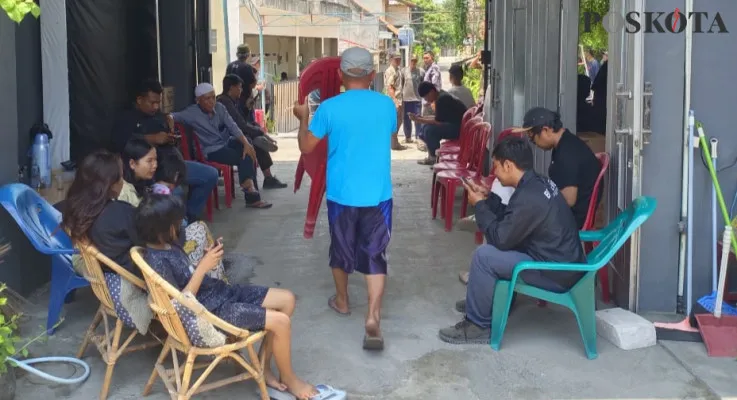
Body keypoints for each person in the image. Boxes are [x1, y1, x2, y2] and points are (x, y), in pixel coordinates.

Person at [136, 194, 318, 399]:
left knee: (287, 299)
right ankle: (289, 378)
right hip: (211, 313)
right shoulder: (157, 262)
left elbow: (184, 274)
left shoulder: (169, 245)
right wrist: (202, 269)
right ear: (164, 228)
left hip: (219, 293)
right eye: (177, 222)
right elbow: (180, 303)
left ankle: (264, 367)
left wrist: (205, 261)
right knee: (281, 321)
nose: (181, 225)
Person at [292, 47, 395, 351]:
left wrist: (302, 118)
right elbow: (392, 132)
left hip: (342, 194)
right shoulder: (387, 105)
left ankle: (342, 301)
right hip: (378, 195)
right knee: (375, 254)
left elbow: (306, 147)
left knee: (341, 248)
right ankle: (373, 316)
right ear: (372, 75)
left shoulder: (328, 108)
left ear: (340, 76)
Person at [438, 137, 587, 344]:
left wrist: (480, 206)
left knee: (484, 256)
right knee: (502, 247)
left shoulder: (529, 196)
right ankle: (486, 302)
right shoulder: (537, 183)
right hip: (560, 262)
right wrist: (489, 199)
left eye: (496, 166)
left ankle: (478, 325)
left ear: (508, 165)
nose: (494, 173)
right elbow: (513, 219)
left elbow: (500, 238)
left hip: (555, 272)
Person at [111, 80, 219, 222]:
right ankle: (179, 225)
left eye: (158, 102)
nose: (156, 106)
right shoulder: (127, 119)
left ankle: (191, 217)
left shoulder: (160, 116)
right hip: (151, 172)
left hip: (173, 164)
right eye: (152, 102)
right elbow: (120, 143)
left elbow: (169, 132)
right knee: (176, 192)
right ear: (139, 100)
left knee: (210, 174)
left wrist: (171, 136)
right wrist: (151, 138)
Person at [169, 83, 272, 209]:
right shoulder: (191, 113)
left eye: (213, 97)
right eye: (207, 98)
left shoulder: (220, 108)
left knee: (247, 146)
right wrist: (169, 120)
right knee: (244, 155)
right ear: (198, 100)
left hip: (226, 142)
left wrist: (245, 143)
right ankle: (250, 192)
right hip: (211, 150)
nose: (212, 101)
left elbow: (233, 126)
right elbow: (173, 116)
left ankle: (249, 186)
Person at [514, 107, 601, 228]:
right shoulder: (565, 143)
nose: (534, 144)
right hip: (566, 214)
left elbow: (569, 200)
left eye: (533, 139)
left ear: (545, 130)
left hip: (571, 219)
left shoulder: (567, 153)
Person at [62, 151, 140, 275]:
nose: (123, 182)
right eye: (121, 177)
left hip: (99, 265)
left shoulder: (77, 207)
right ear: (111, 185)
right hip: (126, 273)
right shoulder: (119, 212)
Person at [217, 74, 288, 189]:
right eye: (239, 87)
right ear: (231, 88)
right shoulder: (225, 102)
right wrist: (260, 132)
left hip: (234, 134)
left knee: (256, 139)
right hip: (227, 139)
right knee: (254, 141)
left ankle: (266, 178)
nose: (240, 90)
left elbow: (240, 120)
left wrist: (246, 108)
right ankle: (262, 180)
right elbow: (240, 125)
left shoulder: (231, 101)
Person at [411, 81, 469, 165]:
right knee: (426, 127)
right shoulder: (441, 95)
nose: (426, 100)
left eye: (426, 97)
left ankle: (434, 157)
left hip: (459, 128)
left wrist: (419, 120)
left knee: (430, 130)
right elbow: (439, 118)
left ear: (431, 92)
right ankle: (431, 155)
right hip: (456, 125)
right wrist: (421, 118)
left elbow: (437, 121)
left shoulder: (442, 99)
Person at [226, 43, 259, 112]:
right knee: (246, 121)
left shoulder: (230, 65)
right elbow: (253, 84)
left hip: (230, 100)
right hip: (244, 101)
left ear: (237, 54)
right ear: (248, 54)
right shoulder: (247, 67)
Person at [384, 52, 406, 151]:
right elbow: (390, 87)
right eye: (396, 59)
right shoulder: (390, 71)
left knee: (399, 120)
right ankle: (393, 143)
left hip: (399, 99)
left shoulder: (398, 70)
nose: (398, 61)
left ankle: (394, 142)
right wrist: (395, 101)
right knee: (395, 121)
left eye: (399, 59)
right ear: (391, 59)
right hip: (393, 100)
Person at [401, 55, 424, 144]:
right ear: (409, 60)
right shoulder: (404, 71)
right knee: (406, 119)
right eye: (412, 60)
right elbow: (402, 83)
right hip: (406, 99)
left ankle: (418, 137)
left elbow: (423, 84)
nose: (413, 62)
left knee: (417, 118)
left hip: (417, 99)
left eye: (415, 60)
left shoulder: (421, 71)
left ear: (417, 61)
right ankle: (408, 137)